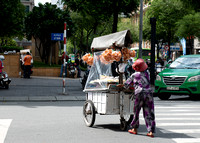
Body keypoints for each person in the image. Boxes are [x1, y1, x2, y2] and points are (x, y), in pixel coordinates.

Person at [117, 58, 156, 137]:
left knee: (136, 112)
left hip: (139, 94)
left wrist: (121, 85)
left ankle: (134, 129)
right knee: (149, 112)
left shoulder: (134, 75)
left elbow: (126, 85)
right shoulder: (147, 73)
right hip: (149, 93)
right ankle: (150, 131)